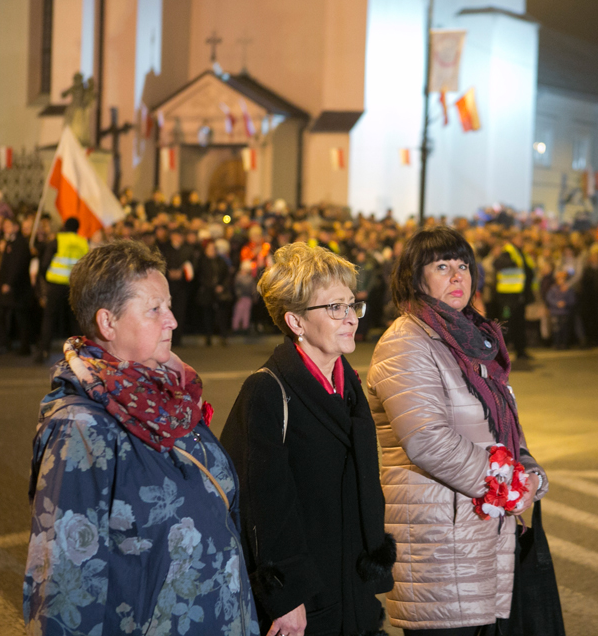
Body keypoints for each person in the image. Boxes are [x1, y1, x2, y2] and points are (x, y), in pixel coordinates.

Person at [23, 240, 260, 635]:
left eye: (169, 306)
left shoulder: (169, 397)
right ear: (107, 323)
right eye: (155, 309)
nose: (173, 321)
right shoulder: (81, 429)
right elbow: (64, 591)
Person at [367, 226, 548, 635]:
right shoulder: (406, 342)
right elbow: (427, 439)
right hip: (440, 540)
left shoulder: (470, 340)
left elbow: (501, 429)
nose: (456, 276)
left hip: (480, 529)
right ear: (414, 278)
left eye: (463, 266)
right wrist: (504, 485)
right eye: (441, 266)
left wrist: (530, 474)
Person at [221, 242, 395, 636]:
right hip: (307, 601)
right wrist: (287, 597)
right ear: (296, 322)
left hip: (352, 586)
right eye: (334, 307)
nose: (350, 318)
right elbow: (262, 507)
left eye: (351, 305)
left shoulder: (347, 381)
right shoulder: (267, 391)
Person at [37, 218, 89, 362]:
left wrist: (46, 278)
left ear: (65, 226)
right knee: (75, 321)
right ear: (78, 228)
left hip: (55, 285)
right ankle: (79, 352)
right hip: (74, 286)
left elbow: (45, 264)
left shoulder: (57, 240)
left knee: (49, 318)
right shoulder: (83, 242)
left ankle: (44, 351)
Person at [492, 234, 534, 359]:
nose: (522, 241)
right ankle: (499, 353)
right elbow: (497, 263)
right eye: (520, 239)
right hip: (507, 296)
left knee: (519, 324)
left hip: (518, 295)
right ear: (513, 240)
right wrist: (512, 263)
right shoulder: (508, 252)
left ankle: (521, 350)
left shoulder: (521, 253)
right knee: (506, 324)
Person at [0, 217, 34, 355]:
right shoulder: (10, 242)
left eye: (8, 225)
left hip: (17, 288)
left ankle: (24, 346)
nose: (5, 228)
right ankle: (5, 343)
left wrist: (9, 283)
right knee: (4, 313)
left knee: (21, 317)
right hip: (11, 286)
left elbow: (17, 265)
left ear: (15, 227)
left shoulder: (20, 243)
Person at [546, 268, 576, 350]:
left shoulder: (568, 289)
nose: (561, 280)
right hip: (555, 312)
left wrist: (565, 303)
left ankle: (564, 343)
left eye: (563, 279)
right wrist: (556, 303)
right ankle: (556, 343)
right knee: (556, 329)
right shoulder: (553, 289)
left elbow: (572, 300)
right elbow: (549, 298)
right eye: (559, 279)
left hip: (565, 312)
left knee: (565, 328)